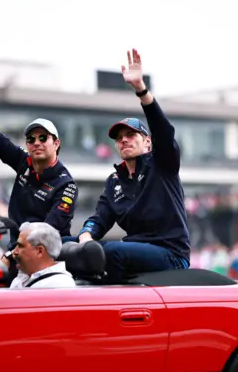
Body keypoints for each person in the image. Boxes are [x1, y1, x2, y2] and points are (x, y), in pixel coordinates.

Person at [75, 48, 190, 283]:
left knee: (112, 251)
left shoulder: (162, 163)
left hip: (172, 255)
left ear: (147, 142)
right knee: (65, 244)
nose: (124, 140)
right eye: (119, 138)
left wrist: (141, 90)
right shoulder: (114, 181)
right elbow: (100, 218)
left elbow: (164, 131)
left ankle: (109, 307)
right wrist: (86, 236)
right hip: (136, 251)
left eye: (131, 134)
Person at [0, 68, 78, 259]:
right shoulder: (23, 162)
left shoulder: (66, 185)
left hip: (47, 257)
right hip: (18, 251)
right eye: (31, 139)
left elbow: (47, 231)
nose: (37, 143)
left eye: (43, 138)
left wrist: (12, 255)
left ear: (56, 143)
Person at [9, 222, 76, 289]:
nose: (14, 252)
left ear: (40, 251)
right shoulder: (23, 278)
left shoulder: (60, 285)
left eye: (20, 246)